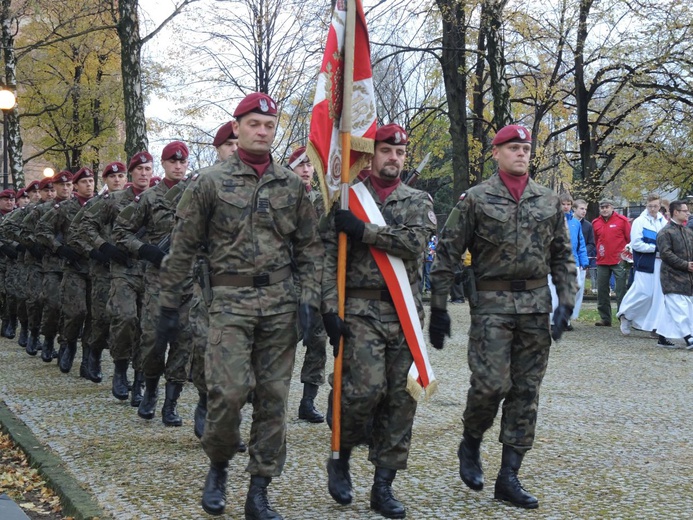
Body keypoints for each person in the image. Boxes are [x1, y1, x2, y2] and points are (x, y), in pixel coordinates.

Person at [156, 92, 323, 519]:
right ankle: (218, 463)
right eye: (254, 124)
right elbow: (182, 248)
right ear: (237, 128)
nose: (262, 131)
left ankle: (259, 490)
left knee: (272, 399)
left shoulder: (291, 185)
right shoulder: (208, 183)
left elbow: (309, 248)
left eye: (269, 125)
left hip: (280, 307)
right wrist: (168, 307)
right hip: (229, 304)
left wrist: (309, 299)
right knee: (226, 394)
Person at [428, 124, 577, 509]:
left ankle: (509, 475)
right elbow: (447, 252)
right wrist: (439, 307)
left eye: (525, 148)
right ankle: (471, 441)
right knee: (491, 385)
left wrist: (566, 301)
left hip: (535, 306)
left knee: (526, 392)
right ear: (496, 153)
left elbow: (562, 254)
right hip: (491, 305)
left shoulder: (547, 200)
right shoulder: (476, 199)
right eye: (513, 147)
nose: (521, 153)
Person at [321, 123, 436, 519]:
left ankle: (383, 486)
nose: (395, 158)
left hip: (402, 311)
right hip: (359, 311)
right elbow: (324, 256)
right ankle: (342, 454)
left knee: (402, 400)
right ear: (371, 156)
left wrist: (364, 231)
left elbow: (414, 244)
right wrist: (325, 307)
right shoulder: (347, 198)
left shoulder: (417, 199)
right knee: (363, 391)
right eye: (387, 150)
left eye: (400, 152)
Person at [113, 141, 194, 426]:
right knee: (152, 340)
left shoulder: (197, 194)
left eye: (182, 162)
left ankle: (171, 404)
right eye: (173, 162)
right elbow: (121, 231)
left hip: (189, 282)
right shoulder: (149, 198)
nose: (178, 166)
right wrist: (146, 250)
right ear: (164, 164)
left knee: (184, 343)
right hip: (157, 280)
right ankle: (149, 391)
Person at [74, 153, 152, 404]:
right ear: (132, 173)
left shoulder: (160, 198)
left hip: (153, 271)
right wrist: (104, 247)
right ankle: (119, 369)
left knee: (147, 329)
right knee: (124, 318)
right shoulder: (113, 200)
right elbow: (84, 226)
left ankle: (139, 380)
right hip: (121, 269)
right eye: (138, 169)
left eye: (147, 169)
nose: (143, 173)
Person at [285, 145, 328, 424]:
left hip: (319, 280)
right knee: (284, 340)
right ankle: (272, 395)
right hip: (288, 279)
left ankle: (308, 401)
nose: (305, 168)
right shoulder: (280, 197)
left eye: (309, 164)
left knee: (318, 342)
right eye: (299, 164)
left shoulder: (324, 199)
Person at [617, 194, 670, 345]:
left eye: (655, 206)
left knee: (658, 296)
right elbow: (636, 243)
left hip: (661, 263)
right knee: (644, 292)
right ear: (646, 206)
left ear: (660, 206)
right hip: (646, 262)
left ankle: (655, 326)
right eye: (650, 206)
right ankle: (626, 314)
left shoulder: (663, 221)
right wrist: (655, 248)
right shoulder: (640, 221)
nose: (653, 209)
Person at [18, 176, 56, 355]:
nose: (50, 193)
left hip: (56, 262)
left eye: (52, 190)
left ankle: (51, 339)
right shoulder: (34, 211)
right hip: (34, 261)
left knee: (53, 303)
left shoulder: (61, 208)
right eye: (46, 190)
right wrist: (33, 246)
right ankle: (32, 333)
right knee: (34, 300)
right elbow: (21, 231)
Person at [654, 200, 693, 349]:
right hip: (672, 276)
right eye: (685, 210)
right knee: (679, 307)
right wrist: (685, 265)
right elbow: (665, 254)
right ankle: (688, 337)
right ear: (676, 212)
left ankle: (662, 337)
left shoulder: (688, 232)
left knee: (676, 309)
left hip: (687, 277)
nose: (688, 213)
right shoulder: (665, 232)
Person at [549, 193, 587, 330]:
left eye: (568, 204)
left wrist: (584, 260)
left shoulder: (575, 223)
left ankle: (566, 318)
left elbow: (580, 243)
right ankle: (554, 321)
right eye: (563, 204)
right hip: (556, 261)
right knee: (555, 291)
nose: (566, 207)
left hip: (574, 260)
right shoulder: (552, 220)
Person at [592, 198, 631, 326]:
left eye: (607, 207)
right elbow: (596, 240)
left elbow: (629, 238)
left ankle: (623, 317)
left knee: (620, 290)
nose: (604, 209)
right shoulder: (596, 223)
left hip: (619, 260)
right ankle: (605, 318)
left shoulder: (622, 221)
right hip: (602, 260)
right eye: (602, 207)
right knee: (602, 290)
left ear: (612, 208)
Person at [573, 199, 596, 314]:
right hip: (568, 259)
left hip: (581, 261)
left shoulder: (588, 225)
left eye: (585, 209)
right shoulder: (566, 222)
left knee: (578, 288)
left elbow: (591, 243)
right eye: (581, 208)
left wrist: (583, 253)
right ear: (574, 209)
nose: (584, 211)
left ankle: (573, 314)